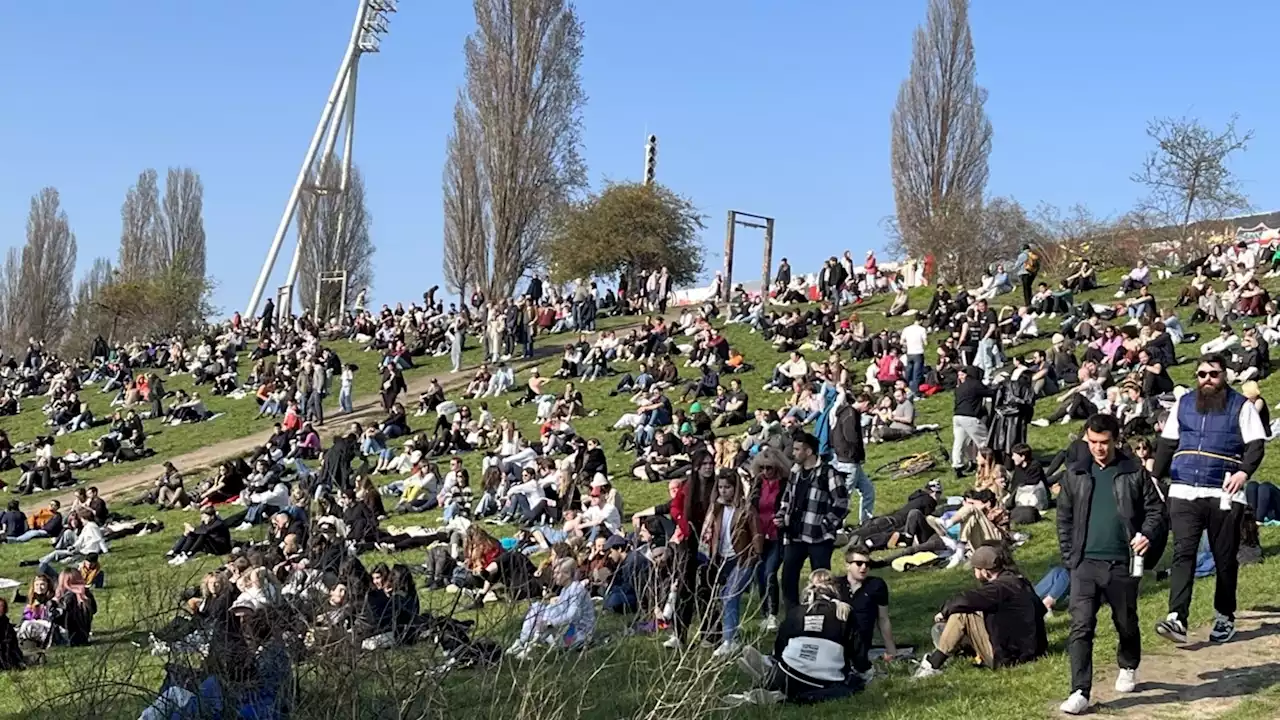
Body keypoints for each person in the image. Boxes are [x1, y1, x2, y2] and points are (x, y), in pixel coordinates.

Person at [1056, 414, 1167, 715]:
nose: (1098, 448)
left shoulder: (1134, 472)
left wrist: (1146, 535)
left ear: (1116, 440)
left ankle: (1128, 664)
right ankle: (1080, 690)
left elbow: (1156, 511)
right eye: (1092, 442)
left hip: (1123, 562)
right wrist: (1071, 559)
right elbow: (1064, 518)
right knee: (1080, 626)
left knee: (1126, 621)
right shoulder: (1075, 474)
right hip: (1084, 563)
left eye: (1104, 442)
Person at [1153, 353, 1266, 645]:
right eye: (1201, 374)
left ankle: (1224, 616)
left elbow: (1256, 445)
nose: (1207, 380)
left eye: (1213, 374)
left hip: (1224, 492)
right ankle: (1177, 617)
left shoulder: (1241, 406)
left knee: (1224, 558)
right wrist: (1156, 475)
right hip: (1184, 490)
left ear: (1224, 376)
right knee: (1183, 554)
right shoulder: (1184, 403)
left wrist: (1243, 473)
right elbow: (1167, 443)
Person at [731, 570, 863, 706]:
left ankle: (770, 677)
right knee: (852, 685)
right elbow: (857, 649)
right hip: (821, 680)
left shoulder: (796, 612)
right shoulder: (844, 612)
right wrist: (864, 669)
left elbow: (780, 646)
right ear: (835, 588)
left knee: (784, 667)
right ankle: (781, 695)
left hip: (787, 671)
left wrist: (776, 661)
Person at [913, 545, 1047, 678]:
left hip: (1010, 658)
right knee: (973, 613)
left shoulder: (997, 589)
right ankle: (960, 650)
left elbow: (963, 601)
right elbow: (1041, 609)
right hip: (1035, 651)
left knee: (961, 615)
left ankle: (933, 664)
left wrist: (944, 612)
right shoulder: (1020, 581)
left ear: (985, 571)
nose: (974, 573)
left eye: (975, 569)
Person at [776, 432, 849, 610]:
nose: (794, 453)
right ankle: (793, 615)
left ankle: (823, 611)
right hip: (794, 535)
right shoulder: (795, 472)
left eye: (797, 449)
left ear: (809, 452)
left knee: (822, 579)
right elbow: (787, 498)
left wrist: (825, 525)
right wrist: (781, 517)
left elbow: (841, 503)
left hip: (819, 538)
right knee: (788, 578)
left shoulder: (828, 472)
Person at [835, 548, 897, 684]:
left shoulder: (876, 585)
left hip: (862, 642)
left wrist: (891, 649)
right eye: (858, 563)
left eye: (867, 564)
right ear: (847, 565)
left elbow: (883, 618)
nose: (864, 567)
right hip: (837, 641)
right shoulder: (836, 585)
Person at [951, 365, 994, 478]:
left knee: (959, 443)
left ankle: (957, 467)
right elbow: (990, 393)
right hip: (970, 417)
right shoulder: (975, 384)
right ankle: (989, 464)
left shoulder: (960, 387)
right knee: (984, 441)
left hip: (957, 416)